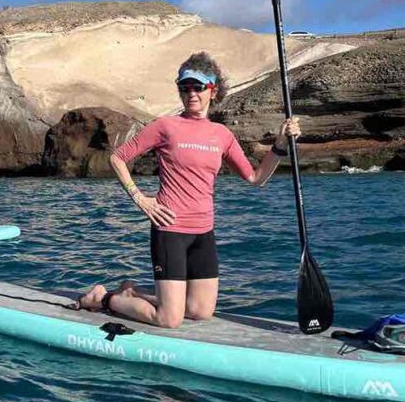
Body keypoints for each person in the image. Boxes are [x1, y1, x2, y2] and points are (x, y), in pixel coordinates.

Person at [80, 52, 301, 328]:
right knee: (169, 319)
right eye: (184, 88)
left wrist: (280, 145)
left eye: (198, 87)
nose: (191, 94)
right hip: (170, 230)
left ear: (213, 90)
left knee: (200, 311)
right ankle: (104, 297)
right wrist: (141, 199)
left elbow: (256, 177)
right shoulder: (166, 126)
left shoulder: (222, 135)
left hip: (203, 233)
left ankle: (132, 292)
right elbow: (117, 157)